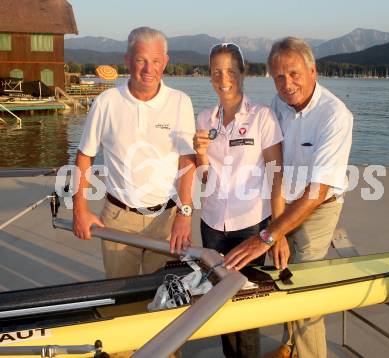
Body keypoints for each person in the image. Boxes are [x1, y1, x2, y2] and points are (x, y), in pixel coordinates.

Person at [224, 37, 353, 358]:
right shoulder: (278, 106)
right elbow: (272, 165)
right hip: (281, 201)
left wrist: (268, 235)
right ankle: (290, 346)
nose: (287, 84)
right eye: (279, 77)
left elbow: (317, 192)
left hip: (317, 208)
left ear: (313, 71)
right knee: (283, 276)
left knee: (304, 292)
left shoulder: (335, 116)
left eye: (294, 74)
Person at [73, 26, 196, 279]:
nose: (148, 69)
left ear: (165, 63)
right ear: (127, 60)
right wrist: (79, 210)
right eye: (140, 60)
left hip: (166, 218)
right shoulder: (106, 102)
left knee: (165, 293)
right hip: (118, 218)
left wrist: (185, 214)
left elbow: (187, 160)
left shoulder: (180, 101)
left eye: (155, 61)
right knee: (120, 296)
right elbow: (85, 156)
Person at [193, 42, 285, 358]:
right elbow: (205, 177)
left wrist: (279, 230)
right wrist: (201, 155)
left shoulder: (263, 116)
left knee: (246, 308)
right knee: (220, 302)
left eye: (231, 70)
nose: (224, 78)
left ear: (243, 73)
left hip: (251, 225)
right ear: (209, 77)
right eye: (217, 71)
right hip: (212, 226)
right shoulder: (205, 118)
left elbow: (277, 174)